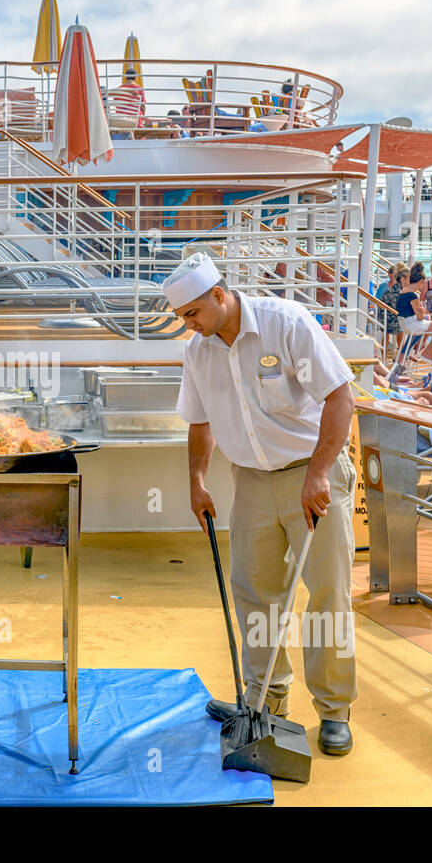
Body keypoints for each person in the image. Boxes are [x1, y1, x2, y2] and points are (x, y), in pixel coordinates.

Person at [164, 254, 358, 756]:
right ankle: (265, 702)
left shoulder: (285, 323)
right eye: (182, 316)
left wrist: (318, 473)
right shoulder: (199, 352)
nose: (189, 324)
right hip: (250, 480)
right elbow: (200, 421)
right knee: (255, 594)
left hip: (312, 475)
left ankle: (334, 711)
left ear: (219, 295)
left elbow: (341, 397)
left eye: (193, 313)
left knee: (328, 596)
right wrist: (197, 481)